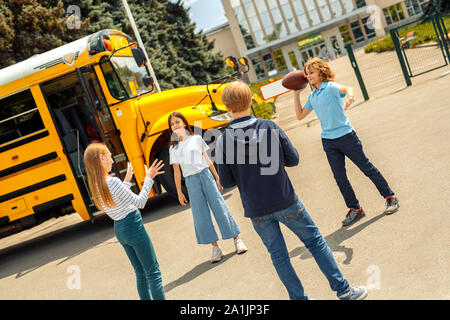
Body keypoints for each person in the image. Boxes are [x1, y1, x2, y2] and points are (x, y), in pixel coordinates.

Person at [216, 80, 367, 300]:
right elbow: (293, 159)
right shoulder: (268, 126)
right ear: (250, 101)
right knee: (315, 242)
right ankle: (344, 291)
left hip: (256, 208)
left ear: (227, 109)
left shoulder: (224, 140)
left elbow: (227, 181)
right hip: (284, 199)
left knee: (279, 256)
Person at [293, 57, 399, 227]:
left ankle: (390, 197)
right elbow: (299, 115)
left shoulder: (331, 87)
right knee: (340, 178)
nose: (309, 75)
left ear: (321, 72)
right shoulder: (313, 97)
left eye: (312, 72)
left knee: (367, 168)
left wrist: (350, 96)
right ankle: (355, 209)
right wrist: (296, 94)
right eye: (307, 73)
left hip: (346, 136)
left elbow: (347, 88)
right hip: (328, 141)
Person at [83, 143, 166, 300]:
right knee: (153, 273)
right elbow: (140, 202)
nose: (112, 160)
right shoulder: (112, 182)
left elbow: (116, 201)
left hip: (120, 229)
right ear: (101, 158)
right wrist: (149, 178)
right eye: (109, 156)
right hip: (133, 226)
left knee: (141, 273)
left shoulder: (96, 185)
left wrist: (126, 182)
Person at [168, 112, 248, 263]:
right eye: (172, 124)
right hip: (191, 181)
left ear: (184, 123)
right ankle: (215, 248)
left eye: (177, 122)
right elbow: (176, 171)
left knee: (220, 208)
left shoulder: (196, 139)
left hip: (206, 175)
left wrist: (218, 178)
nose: (175, 126)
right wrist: (179, 192)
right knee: (201, 216)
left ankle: (237, 239)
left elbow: (208, 160)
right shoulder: (173, 149)